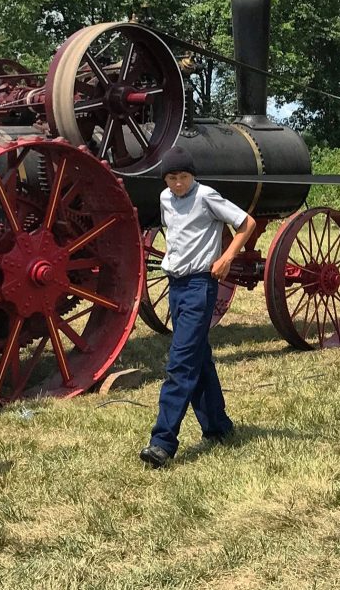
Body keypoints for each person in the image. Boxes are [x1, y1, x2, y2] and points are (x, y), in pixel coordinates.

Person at [140, 147, 256, 469]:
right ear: (165, 179)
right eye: (173, 178)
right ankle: (218, 427)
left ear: (193, 176)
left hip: (199, 287)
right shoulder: (165, 199)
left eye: (184, 177)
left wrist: (226, 257)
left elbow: (246, 223)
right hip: (176, 287)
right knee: (198, 358)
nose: (178, 184)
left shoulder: (206, 196)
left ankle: (162, 442)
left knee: (180, 363)